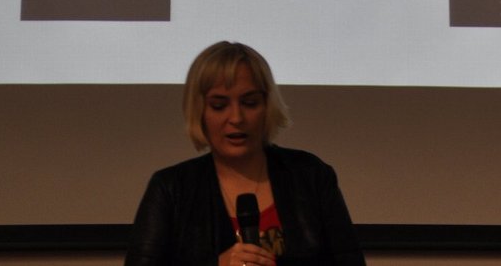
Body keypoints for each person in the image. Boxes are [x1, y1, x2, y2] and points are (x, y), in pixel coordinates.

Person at [125, 41, 365, 266]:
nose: (237, 118)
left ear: (267, 106)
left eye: (250, 103)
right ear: (199, 111)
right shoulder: (171, 188)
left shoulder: (311, 175)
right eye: (219, 106)